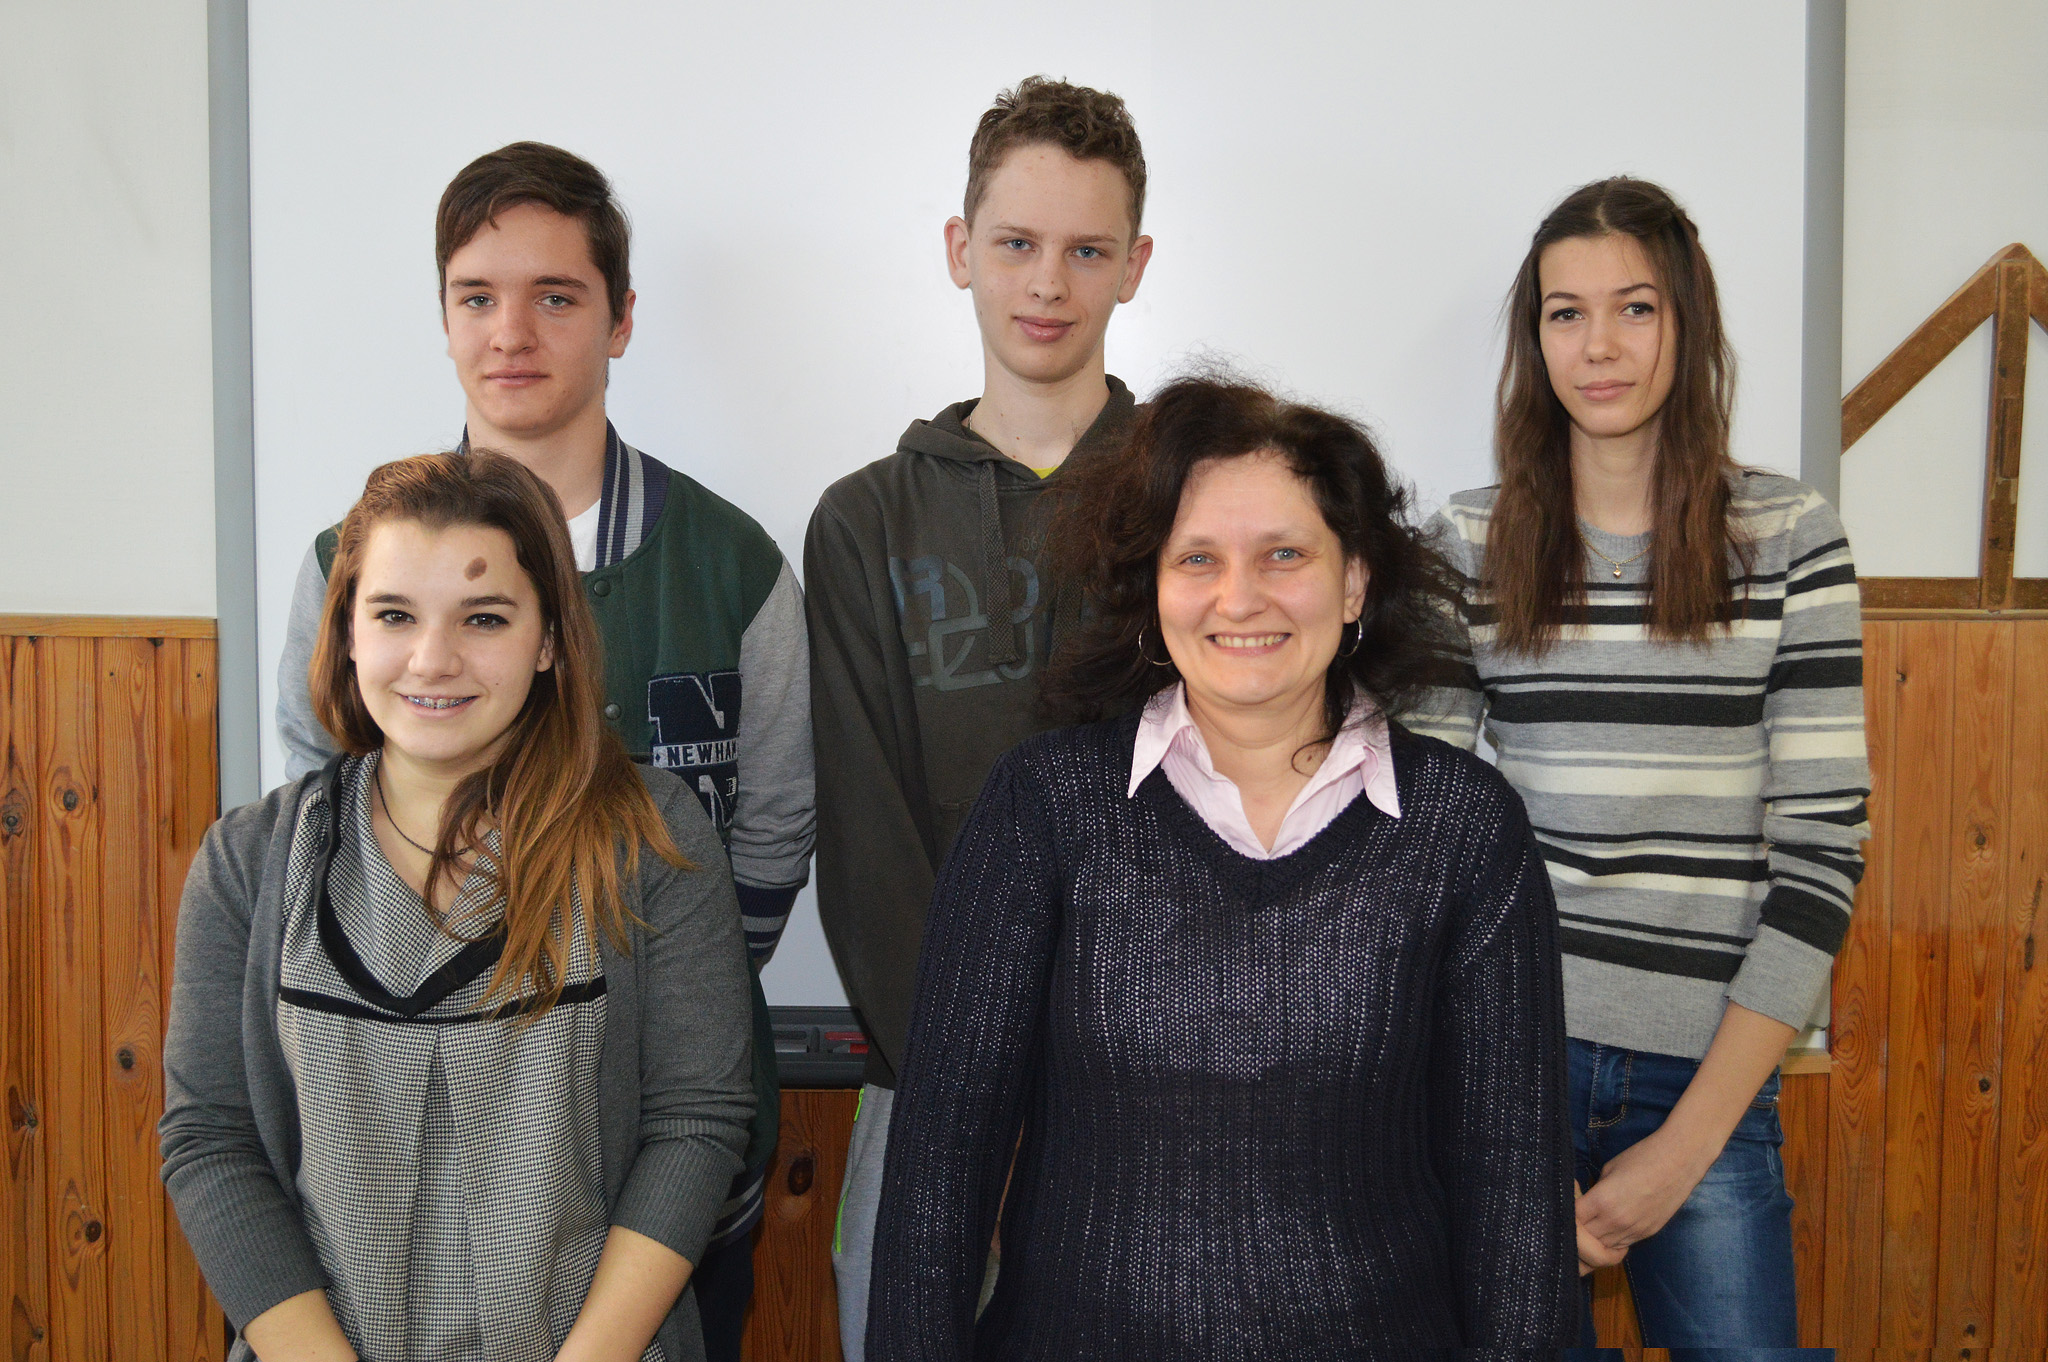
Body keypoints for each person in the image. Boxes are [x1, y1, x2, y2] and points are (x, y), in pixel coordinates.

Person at [866, 375, 1580, 1357]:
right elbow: (940, 1167)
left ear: (1354, 581)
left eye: (1284, 554)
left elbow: (1514, 1192)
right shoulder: (1045, 806)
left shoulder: (1462, 826)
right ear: (1150, 587)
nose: (1239, 598)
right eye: (1196, 557)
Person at [272, 142, 812, 1354]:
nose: (510, 333)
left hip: (669, 1168)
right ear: (443, 317)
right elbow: (317, 820)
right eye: (477, 296)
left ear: (620, 321)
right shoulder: (346, 571)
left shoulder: (734, 566)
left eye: (555, 297)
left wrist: (665, 1010)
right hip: (399, 1178)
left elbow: (776, 826)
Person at [1408, 177, 1871, 1354]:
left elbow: (1821, 856)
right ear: (1533, 340)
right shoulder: (1466, 543)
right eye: (1564, 313)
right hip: (1506, 1063)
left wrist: (1685, 1146)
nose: (1598, 346)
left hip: (1706, 1069)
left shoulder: (1788, 537)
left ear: (1686, 324)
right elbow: (1416, 837)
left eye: (1634, 308)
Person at [162, 452, 756, 1362]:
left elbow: (695, 1125)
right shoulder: (247, 863)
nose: (433, 660)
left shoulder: (651, 839)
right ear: (347, 631)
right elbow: (212, 1142)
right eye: (394, 615)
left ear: (550, 640)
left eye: (484, 618)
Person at [803, 76, 1153, 1356]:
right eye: (1014, 243)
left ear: (1135, 266)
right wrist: (973, 1102)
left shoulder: (1195, 500)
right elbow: (865, 844)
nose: (1046, 283)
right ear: (960, 251)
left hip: (1156, 1082)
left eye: (1086, 251)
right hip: (930, 1081)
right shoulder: (863, 522)